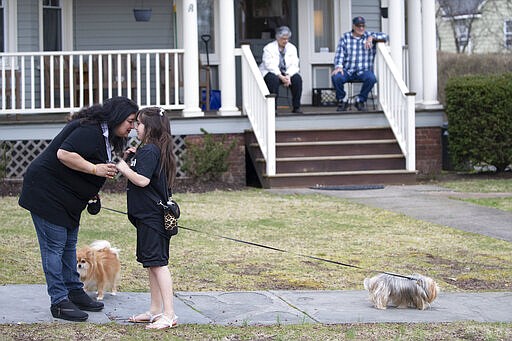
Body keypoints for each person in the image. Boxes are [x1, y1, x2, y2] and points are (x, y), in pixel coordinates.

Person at [18, 96, 139, 322]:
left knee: (68, 246)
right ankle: (59, 302)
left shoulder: (103, 134)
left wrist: (93, 189)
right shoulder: (90, 130)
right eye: (130, 121)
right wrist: (95, 170)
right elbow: (64, 154)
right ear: (117, 116)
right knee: (54, 248)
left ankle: (74, 291)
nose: (132, 127)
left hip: (68, 200)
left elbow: (86, 163)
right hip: (47, 194)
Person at [116, 107, 178, 330]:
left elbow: (142, 180)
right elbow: (144, 174)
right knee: (152, 264)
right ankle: (154, 310)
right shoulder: (150, 150)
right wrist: (130, 159)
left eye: (139, 124)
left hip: (153, 217)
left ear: (150, 127)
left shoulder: (151, 150)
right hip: (147, 217)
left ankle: (169, 314)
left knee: (159, 265)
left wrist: (122, 167)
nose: (134, 128)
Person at [331, 16, 388, 112]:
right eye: (358, 26)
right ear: (353, 26)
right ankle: (342, 100)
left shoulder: (368, 35)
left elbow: (386, 37)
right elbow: (339, 54)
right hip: (348, 71)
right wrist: (339, 66)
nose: (361, 28)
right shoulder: (345, 37)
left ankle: (360, 100)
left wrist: (372, 38)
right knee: (336, 77)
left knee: (371, 78)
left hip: (363, 71)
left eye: (363, 26)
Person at [259, 26, 303, 113]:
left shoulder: (292, 48)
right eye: (283, 39)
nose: (285, 41)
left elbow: (294, 64)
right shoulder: (269, 48)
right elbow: (269, 65)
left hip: (287, 73)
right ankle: (273, 108)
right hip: (271, 72)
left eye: (287, 39)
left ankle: (296, 107)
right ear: (277, 38)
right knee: (273, 80)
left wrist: (288, 76)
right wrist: (280, 76)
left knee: (297, 79)